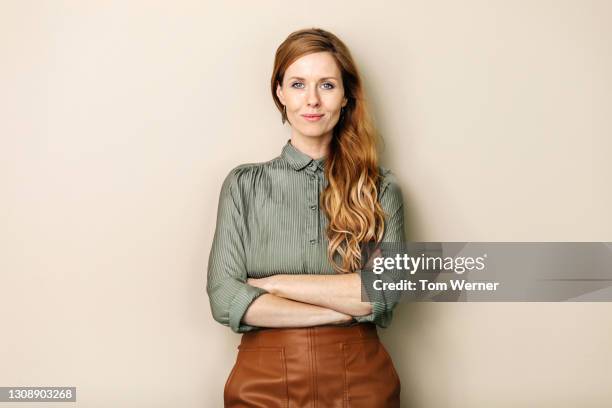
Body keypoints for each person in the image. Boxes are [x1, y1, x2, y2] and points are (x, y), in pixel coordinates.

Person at [206, 27, 405, 408]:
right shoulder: (244, 185)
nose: (312, 100)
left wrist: (274, 284)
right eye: (298, 84)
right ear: (279, 92)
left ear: (346, 96)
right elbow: (225, 297)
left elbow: (383, 294)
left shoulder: (380, 189)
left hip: (362, 380)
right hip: (261, 380)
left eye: (327, 85)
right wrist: (338, 308)